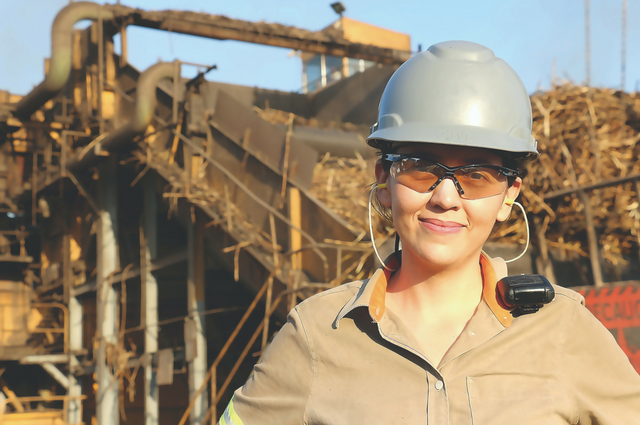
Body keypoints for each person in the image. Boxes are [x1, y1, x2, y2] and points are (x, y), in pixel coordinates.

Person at [218, 41, 640, 425]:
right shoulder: (315, 335)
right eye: (420, 167)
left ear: (509, 196)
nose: (444, 197)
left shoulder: (564, 329)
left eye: (476, 175)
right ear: (383, 179)